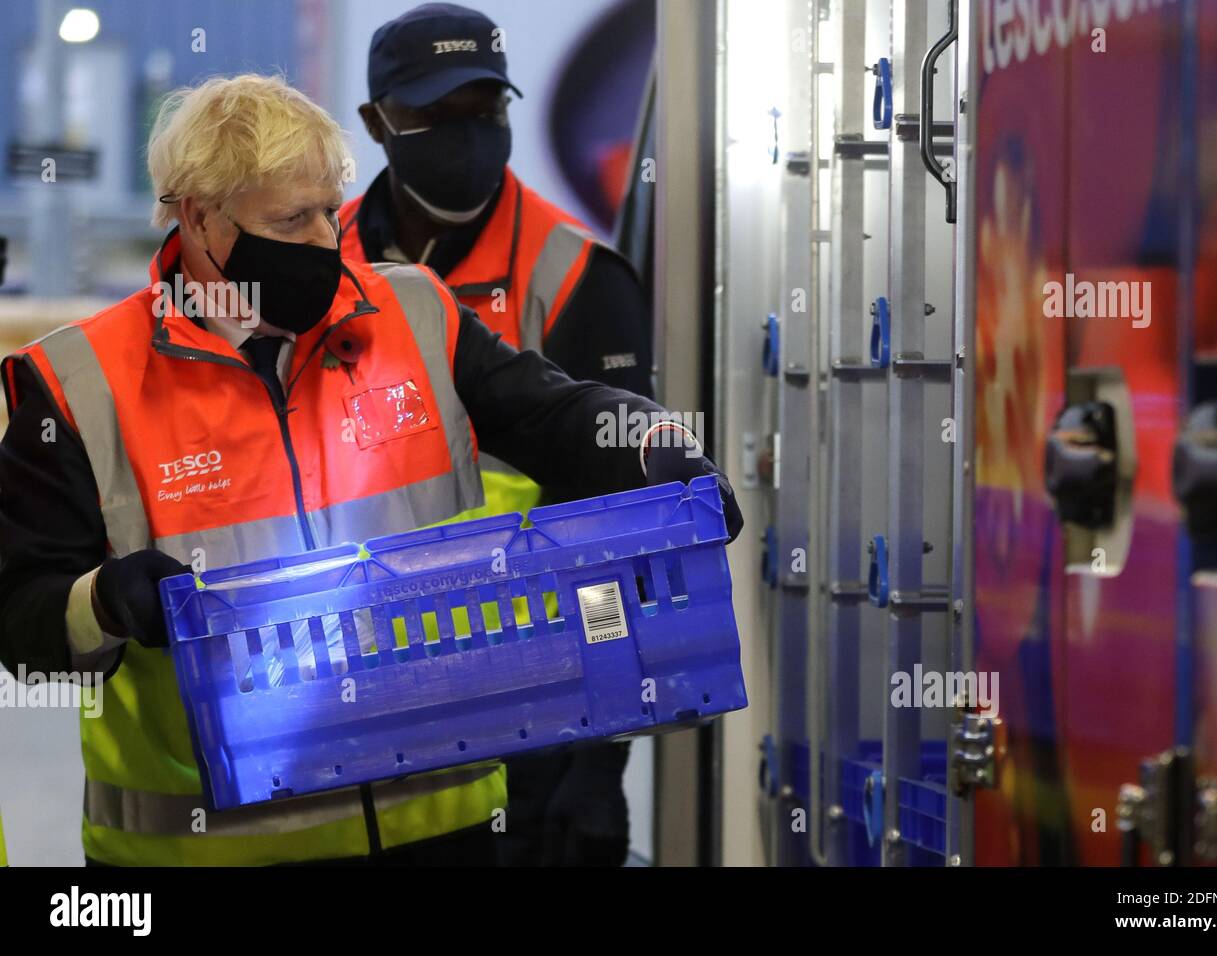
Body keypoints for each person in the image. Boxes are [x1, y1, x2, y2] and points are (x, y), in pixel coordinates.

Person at [0, 73, 741, 867]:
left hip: (440, 835)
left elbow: (548, 412)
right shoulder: (82, 383)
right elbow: (20, 622)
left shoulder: (409, 313)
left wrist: (648, 439)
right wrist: (104, 603)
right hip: (211, 854)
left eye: (330, 210)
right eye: (292, 219)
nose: (326, 239)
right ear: (200, 218)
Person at [343, 3, 656, 865]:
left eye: (485, 112)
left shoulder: (577, 277)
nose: (467, 136)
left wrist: (602, 756)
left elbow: (622, 530)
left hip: (538, 713)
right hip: (363, 710)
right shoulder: (325, 265)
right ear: (377, 123)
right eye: (437, 116)